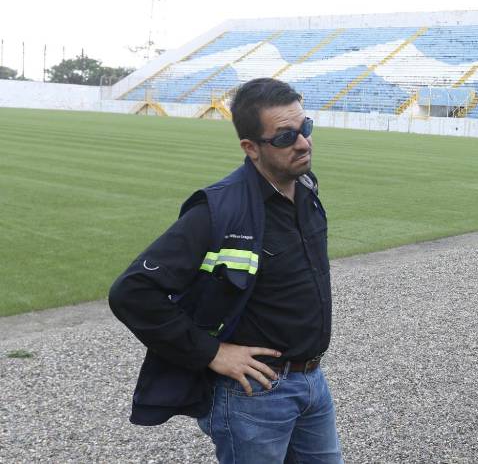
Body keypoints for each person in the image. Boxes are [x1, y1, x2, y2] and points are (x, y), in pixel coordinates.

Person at [109, 78, 343, 463]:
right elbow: (132, 292)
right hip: (254, 396)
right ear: (251, 148)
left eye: (306, 128)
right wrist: (211, 351)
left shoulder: (305, 186)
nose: (303, 142)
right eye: (285, 137)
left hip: (313, 382)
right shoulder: (217, 210)